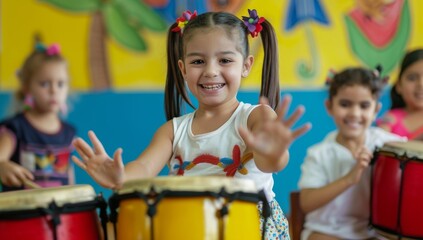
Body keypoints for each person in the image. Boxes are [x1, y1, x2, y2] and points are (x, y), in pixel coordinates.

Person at [72, 9, 311, 239]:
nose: (211, 71)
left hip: (245, 227)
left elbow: (271, 162)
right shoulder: (173, 130)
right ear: (183, 68)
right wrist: (121, 178)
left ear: (246, 66)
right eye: (198, 61)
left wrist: (274, 152)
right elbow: (144, 168)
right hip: (187, 227)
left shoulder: (257, 117)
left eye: (225, 60)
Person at [298, 67, 406, 240]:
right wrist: (349, 178)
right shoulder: (319, 153)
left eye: (364, 106)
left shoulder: (386, 144)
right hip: (327, 231)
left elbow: (412, 156)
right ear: (329, 106)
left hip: (372, 232)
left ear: (376, 110)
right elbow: (306, 203)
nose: (355, 113)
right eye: (345, 104)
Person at [0, 43, 76, 191]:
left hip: (59, 212)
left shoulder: (69, 133)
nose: (54, 90)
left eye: (60, 84)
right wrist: (2, 166)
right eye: (44, 84)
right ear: (27, 87)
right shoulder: (15, 128)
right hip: (23, 212)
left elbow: (70, 179)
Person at [377, 49, 423, 140]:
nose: (421, 84)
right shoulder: (391, 120)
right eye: (412, 78)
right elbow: (377, 143)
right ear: (399, 86)